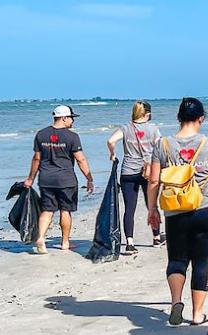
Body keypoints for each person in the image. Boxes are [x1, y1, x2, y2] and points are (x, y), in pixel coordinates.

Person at [147, 98, 208, 327]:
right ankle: (198, 313)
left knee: (177, 258)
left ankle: (175, 303)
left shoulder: (163, 145)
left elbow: (153, 180)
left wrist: (152, 209)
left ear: (178, 117)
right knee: (202, 261)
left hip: (175, 209)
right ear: (201, 118)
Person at [23, 105, 94, 255]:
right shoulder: (72, 137)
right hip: (66, 180)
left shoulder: (41, 134)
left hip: (46, 179)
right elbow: (80, 159)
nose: (73, 121)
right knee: (65, 210)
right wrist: (89, 178)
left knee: (47, 210)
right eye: (71, 118)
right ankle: (65, 242)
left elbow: (36, 158)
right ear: (64, 118)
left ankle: (41, 238)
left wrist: (30, 178)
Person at [106, 100, 164, 254]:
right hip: (148, 172)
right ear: (148, 114)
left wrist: (113, 154)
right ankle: (157, 238)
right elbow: (160, 149)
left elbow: (110, 141)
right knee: (151, 205)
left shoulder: (125, 128)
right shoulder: (153, 129)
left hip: (128, 172)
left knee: (129, 209)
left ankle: (130, 243)